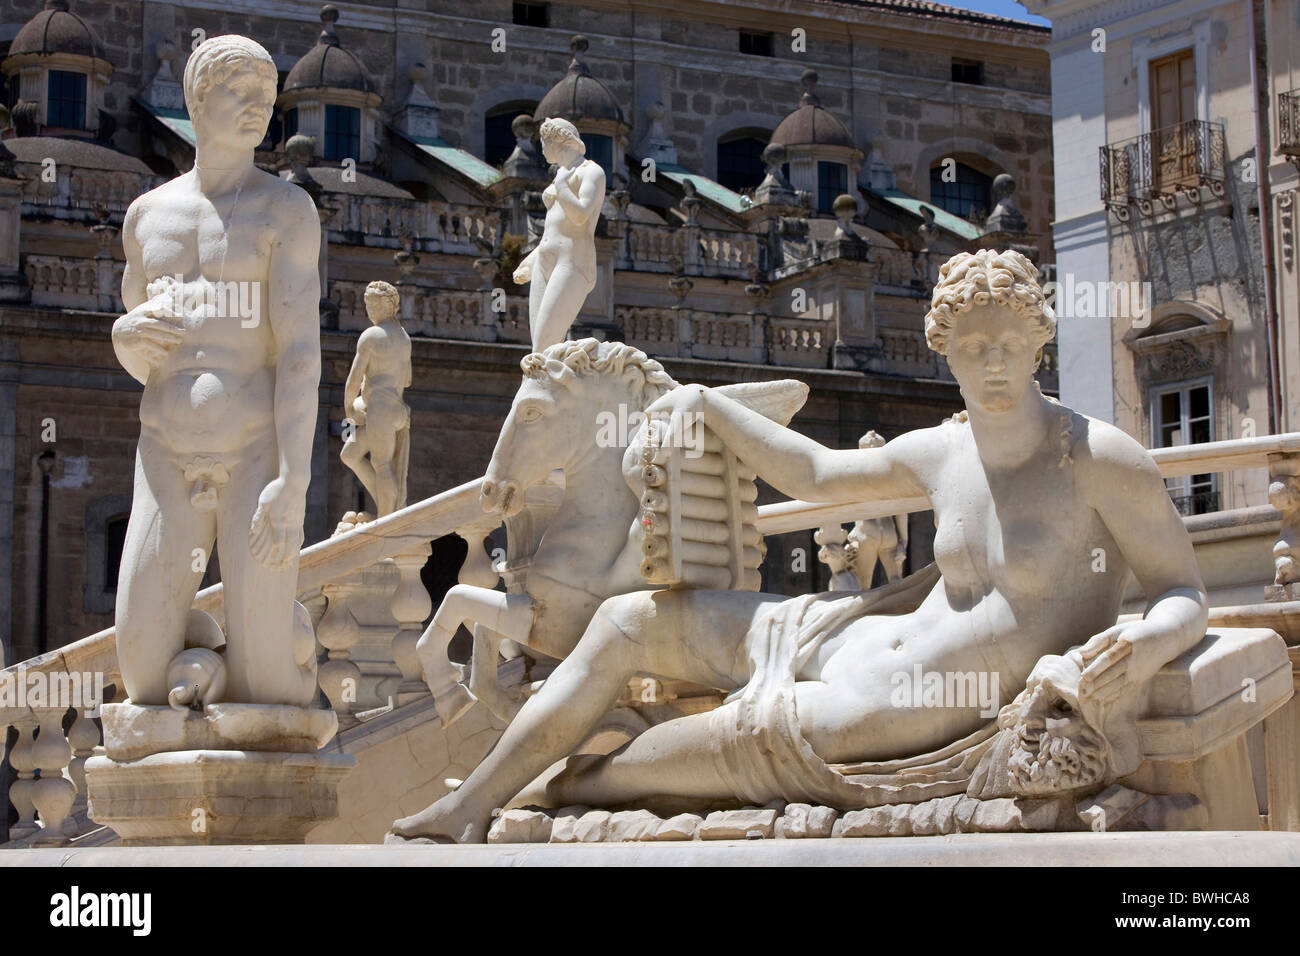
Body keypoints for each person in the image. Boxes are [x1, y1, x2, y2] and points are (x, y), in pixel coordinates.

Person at [390, 249, 1208, 843]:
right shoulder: (944, 449)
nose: (991, 364)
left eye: (1008, 344)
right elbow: (815, 474)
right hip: (837, 631)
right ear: (944, 351)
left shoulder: (1099, 460)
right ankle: (469, 804)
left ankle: (540, 797)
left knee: (634, 771)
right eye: (971, 348)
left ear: (1040, 342)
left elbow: (1185, 593)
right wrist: (707, 402)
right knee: (625, 623)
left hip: (888, 705)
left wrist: (1140, 642)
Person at [112, 35, 321, 707]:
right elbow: (139, 352)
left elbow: (297, 353)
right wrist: (123, 333)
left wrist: (295, 480)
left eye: (269, 96)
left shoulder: (286, 210)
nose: (261, 107)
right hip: (165, 451)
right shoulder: (147, 216)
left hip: (253, 448)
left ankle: (264, 651)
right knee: (141, 676)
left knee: (269, 685)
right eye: (243, 92)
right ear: (200, 99)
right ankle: (202, 654)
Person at [511, 117, 605, 352]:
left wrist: (561, 187)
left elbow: (581, 215)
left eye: (544, 142)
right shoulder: (562, 173)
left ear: (558, 141)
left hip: (572, 263)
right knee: (539, 348)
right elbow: (555, 228)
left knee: (545, 344)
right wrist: (531, 259)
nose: (541, 148)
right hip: (545, 260)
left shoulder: (592, 171)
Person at [340, 280, 412, 517]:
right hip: (397, 410)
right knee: (349, 455)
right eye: (367, 304)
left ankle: (385, 519)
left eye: (374, 304)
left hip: (380, 409)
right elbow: (408, 379)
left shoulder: (371, 336)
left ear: (388, 306)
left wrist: (349, 407)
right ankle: (387, 505)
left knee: (382, 465)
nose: (369, 309)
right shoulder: (403, 337)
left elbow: (353, 379)